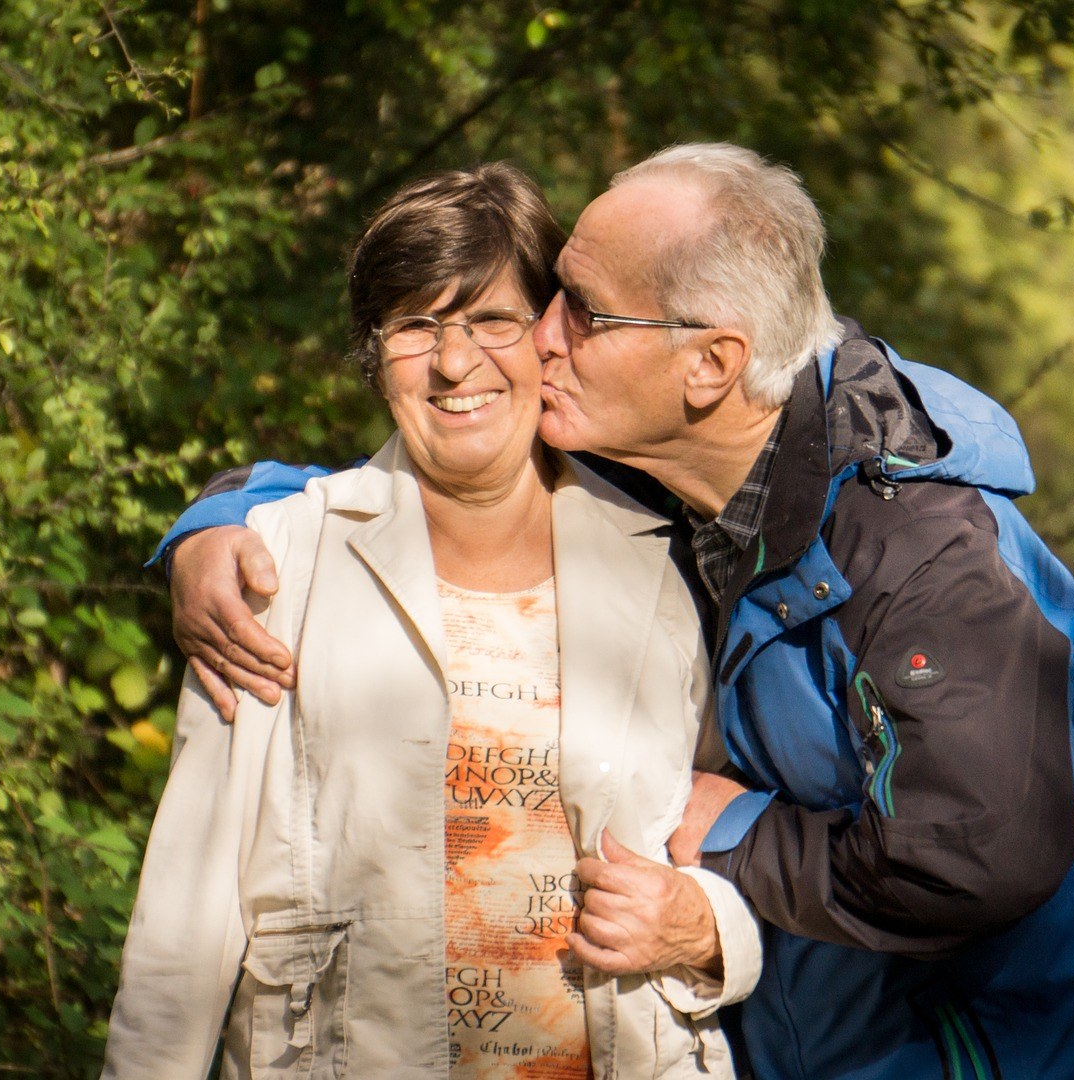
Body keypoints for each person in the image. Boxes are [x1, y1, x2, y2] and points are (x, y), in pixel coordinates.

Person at [161, 144, 1074, 1079]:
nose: (538, 340)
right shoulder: (680, 468)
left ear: (710, 363)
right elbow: (421, 476)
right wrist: (222, 519)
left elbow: (974, 854)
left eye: (582, 310)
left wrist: (736, 835)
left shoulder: (921, 551)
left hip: (1006, 1051)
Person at [103, 163, 761, 1079]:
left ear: (552, 334)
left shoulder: (672, 567)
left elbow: (742, 842)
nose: (454, 364)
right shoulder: (277, 561)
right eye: (415, 325)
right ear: (377, 354)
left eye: (492, 320)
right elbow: (185, 917)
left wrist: (712, 929)